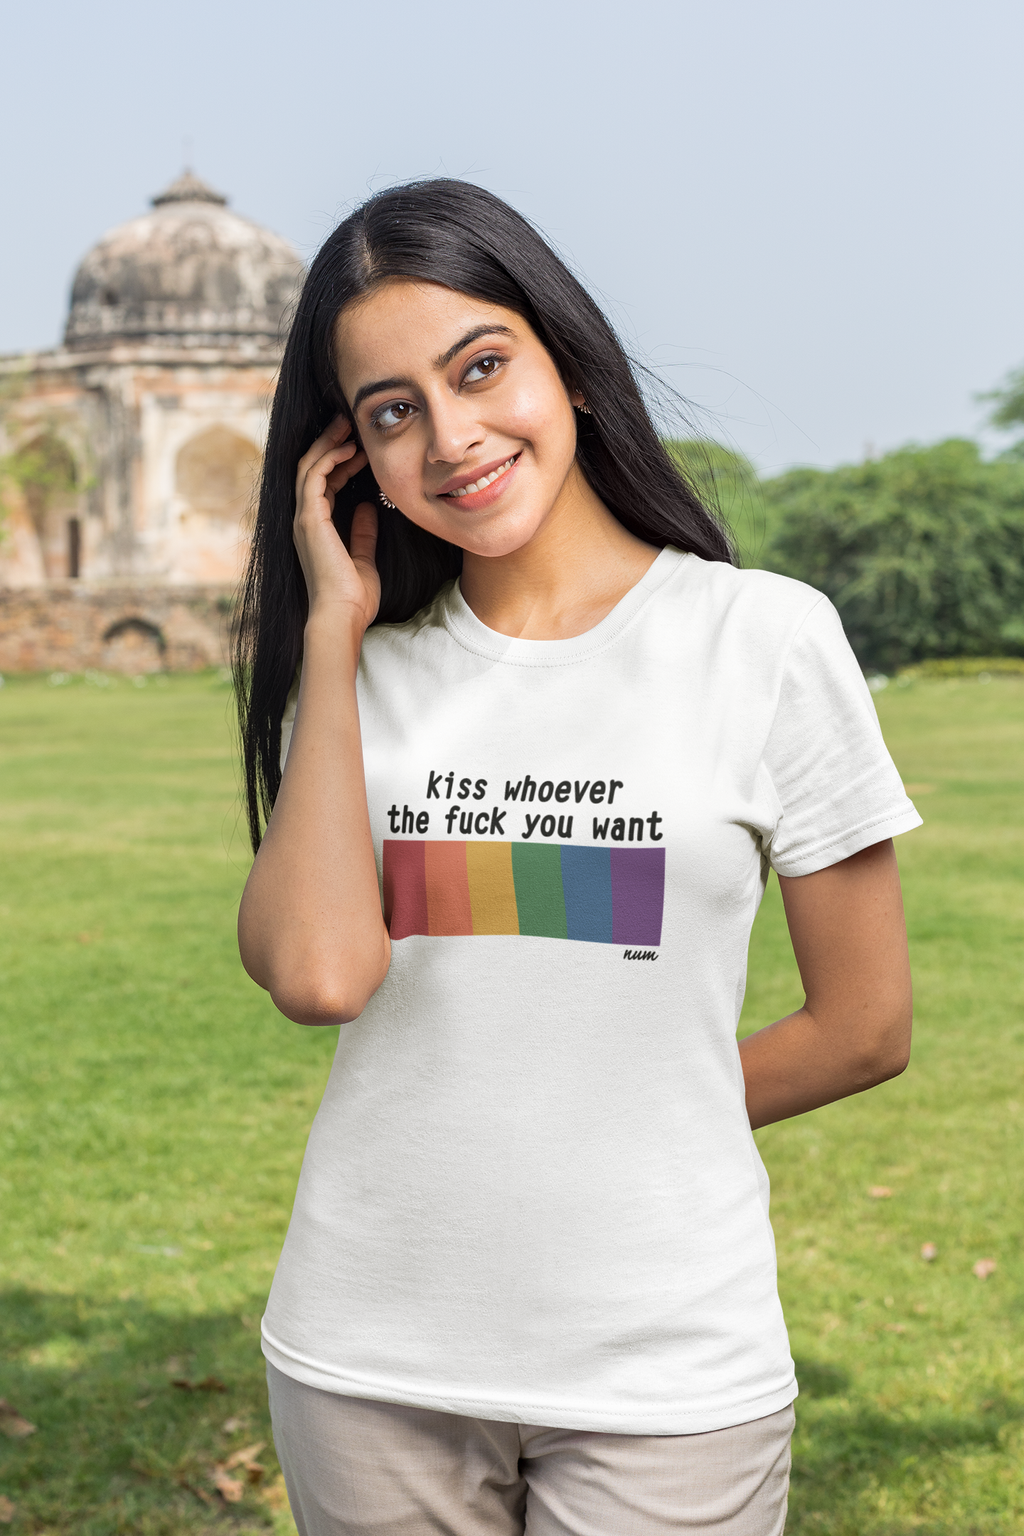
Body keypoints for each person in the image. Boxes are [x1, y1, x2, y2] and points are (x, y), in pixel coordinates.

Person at [234, 179, 921, 1536]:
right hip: (370, 1358)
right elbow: (319, 974)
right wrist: (327, 632)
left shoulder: (767, 639)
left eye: (481, 367)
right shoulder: (366, 673)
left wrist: (620, 1123)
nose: (452, 436)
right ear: (351, 458)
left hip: (669, 1368)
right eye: (391, 411)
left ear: (573, 365)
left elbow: (865, 1026)